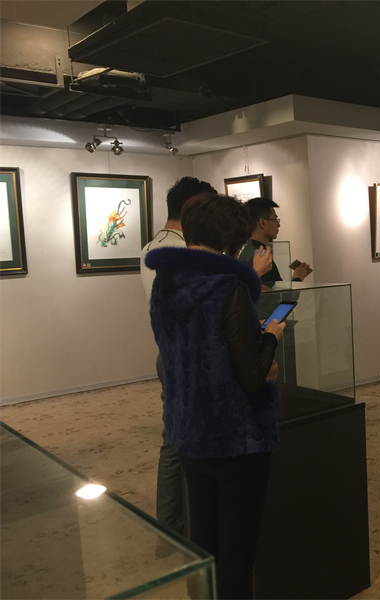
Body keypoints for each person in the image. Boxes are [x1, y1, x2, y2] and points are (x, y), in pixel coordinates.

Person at [146, 192, 283, 599]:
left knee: (204, 547)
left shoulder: (165, 281)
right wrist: (270, 338)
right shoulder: (229, 288)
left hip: (189, 434)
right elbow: (252, 377)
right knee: (237, 559)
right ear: (230, 239)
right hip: (235, 441)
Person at [140, 176, 216, 540]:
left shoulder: (153, 245)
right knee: (176, 441)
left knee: (176, 436)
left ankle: (173, 522)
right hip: (186, 352)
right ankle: (172, 524)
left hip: (170, 349)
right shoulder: (180, 250)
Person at [238, 197, 312, 287]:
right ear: (262, 223)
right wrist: (297, 278)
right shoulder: (261, 256)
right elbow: (278, 295)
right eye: (275, 220)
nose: (278, 224)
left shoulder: (248, 250)